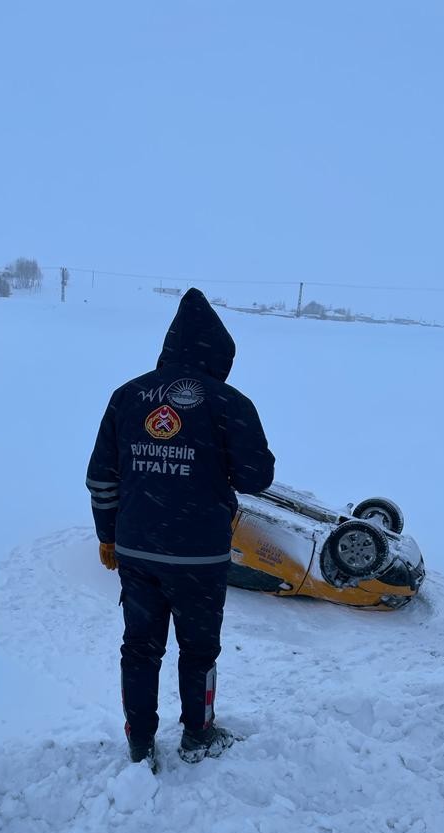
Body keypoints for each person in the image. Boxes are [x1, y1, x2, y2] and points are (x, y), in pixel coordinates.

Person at [86, 288, 275, 769]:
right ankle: (197, 734)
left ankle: (139, 743)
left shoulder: (128, 396)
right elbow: (256, 478)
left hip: (138, 551)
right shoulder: (230, 403)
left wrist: (108, 536)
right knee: (199, 651)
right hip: (200, 558)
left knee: (140, 650)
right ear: (219, 354)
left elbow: (100, 477)